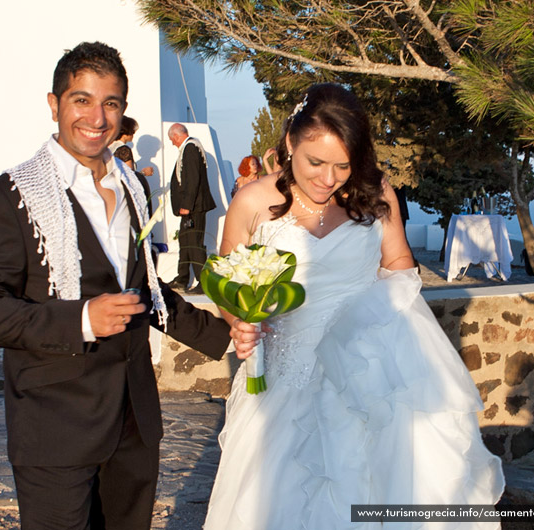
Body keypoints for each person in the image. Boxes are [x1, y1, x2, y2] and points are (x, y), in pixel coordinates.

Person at [204, 83, 504, 529]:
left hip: (366, 372)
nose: (329, 179)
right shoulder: (252, 201)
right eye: (316, 163)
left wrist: (385, 308)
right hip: (283, 379)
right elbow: (226, 280)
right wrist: (240, 321)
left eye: (343, 165)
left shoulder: (376, 193)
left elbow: (400, 263)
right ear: (289, 143)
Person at [0, 42, 231, 530]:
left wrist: (225, 334)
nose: (97, 117)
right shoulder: (8, 196)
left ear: (123, 110)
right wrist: (82, 319)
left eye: (111, 103)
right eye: (81, 99)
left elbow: (143, 291)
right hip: (53, 423)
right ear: (54, 104)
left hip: (133, 422)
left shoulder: (134, 186)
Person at [167, 123, 216, 292]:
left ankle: (204, 283)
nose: (173, 143)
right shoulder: (189, 148)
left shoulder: (190, 149)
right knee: (185, 242)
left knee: (194, 244)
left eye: (172, 140)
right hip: (191, 207)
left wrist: (187, 206)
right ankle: (182, 278)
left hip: (194, 207)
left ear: (176, 136)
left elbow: (193, 179)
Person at [110, 115, 153, 214]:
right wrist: (143, 173)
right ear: (126, 132)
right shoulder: (124, 149)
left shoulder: (110, 148)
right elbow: (130, 176)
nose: (133, 134)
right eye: (132, 131)